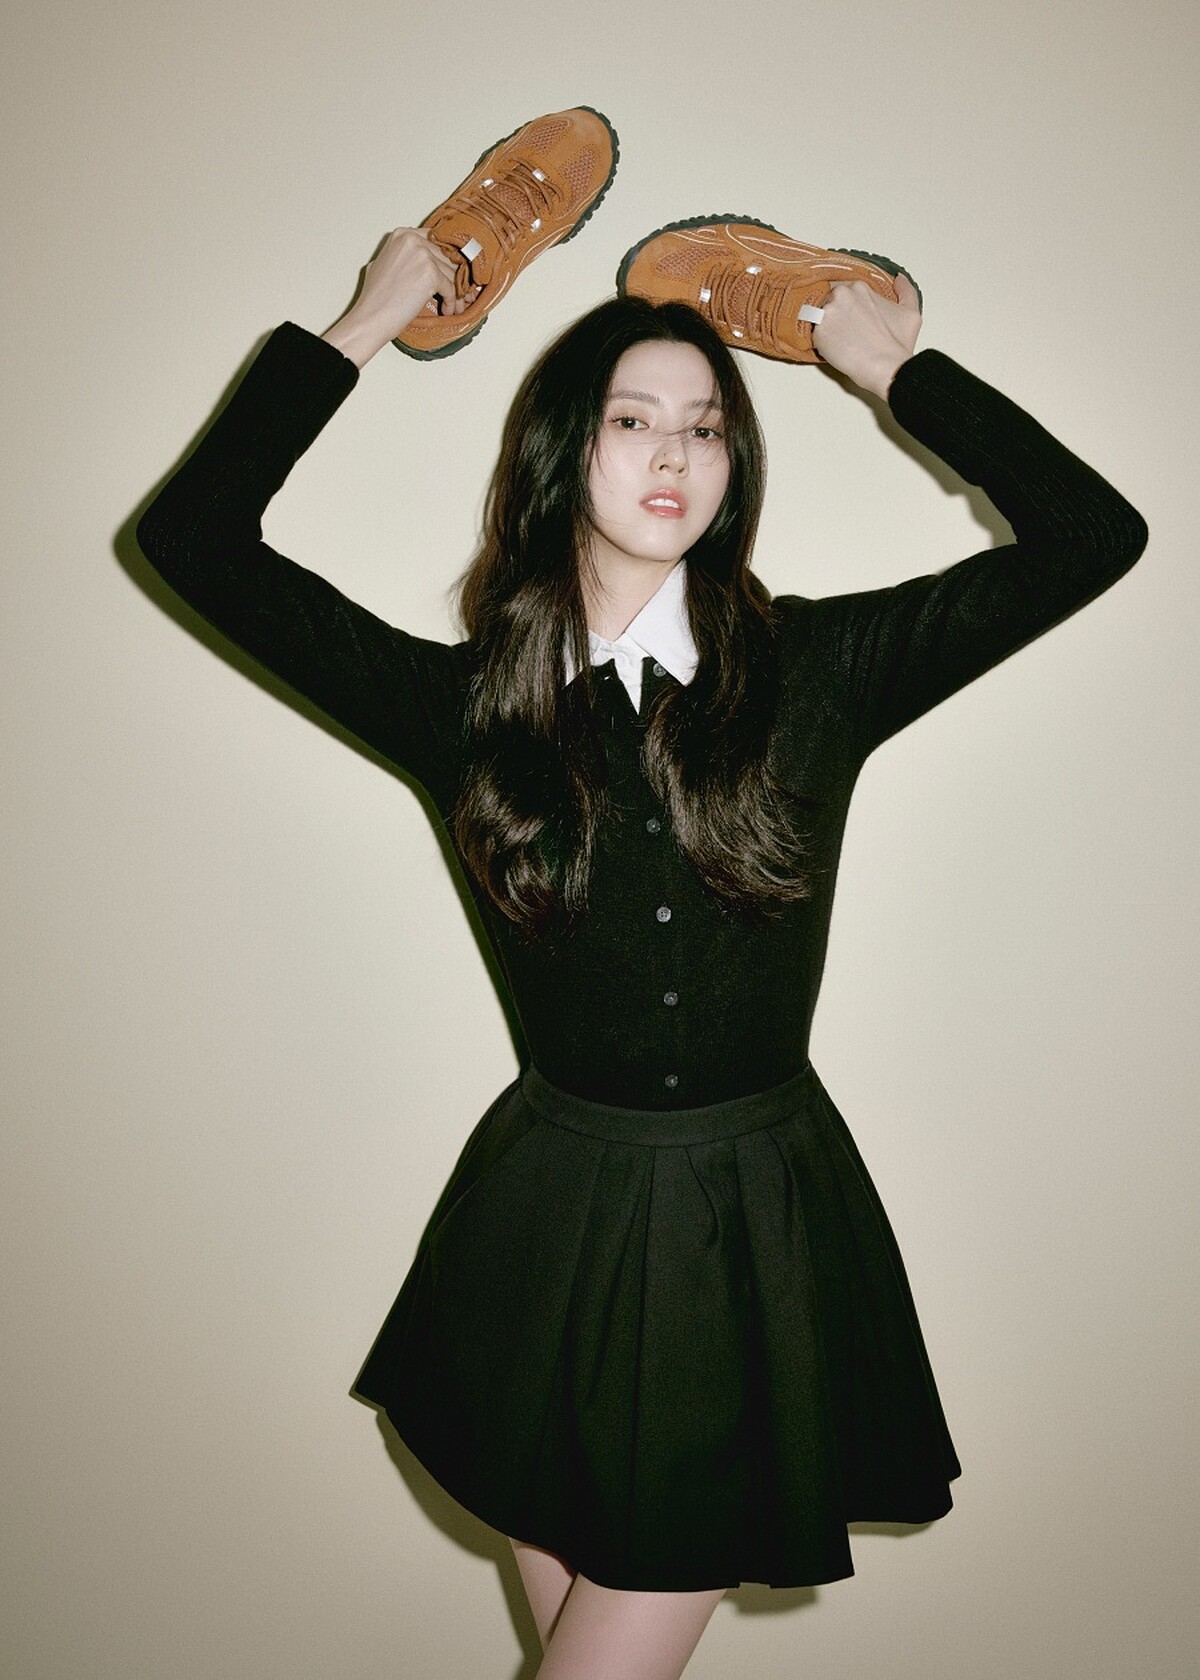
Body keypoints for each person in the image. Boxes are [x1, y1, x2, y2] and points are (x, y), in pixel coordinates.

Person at [136, 216, 1147, 1679]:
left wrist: (897, 373)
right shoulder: (466, 711)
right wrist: (363, 324)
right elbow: (194, 540)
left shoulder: (818, 673)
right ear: (566, 453)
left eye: (707, 427)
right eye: (631, 420)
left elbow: (1095, 535)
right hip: (540, 1234)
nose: (675, 452)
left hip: (746, 1234)